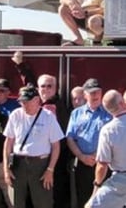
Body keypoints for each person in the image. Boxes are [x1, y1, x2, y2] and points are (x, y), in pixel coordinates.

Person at [2, 85, 64, 208]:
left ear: (37, 100)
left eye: (27, 101)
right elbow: (8, 143)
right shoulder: (16, 114)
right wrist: (6, 169)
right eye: (22, 102)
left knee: (43, 203)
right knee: (15, 202)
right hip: (18, 163)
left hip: (40, 164)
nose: (24, 105)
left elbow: (56, 146)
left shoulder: (48, 116)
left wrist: (50, 170)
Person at [66, 78, 112, 208]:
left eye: (97, 92)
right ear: (85, 95)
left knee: (106, 200)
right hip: (83, 164)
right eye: (91, 92)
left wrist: (98, 154)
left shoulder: (109, 113)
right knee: (85, 201)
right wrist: (81, 157)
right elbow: (70, 138)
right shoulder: (76, 114)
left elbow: (113, 138)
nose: (95, 95)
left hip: (104, 164)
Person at [37, 73, 72, 208]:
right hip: (39, 159)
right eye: (42, 86)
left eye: (49, 86)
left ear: (56, 89)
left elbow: (62, 136)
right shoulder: (35, 103)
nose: (45, 89)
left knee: (56, 193)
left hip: (56, 158)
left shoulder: (57, 106)